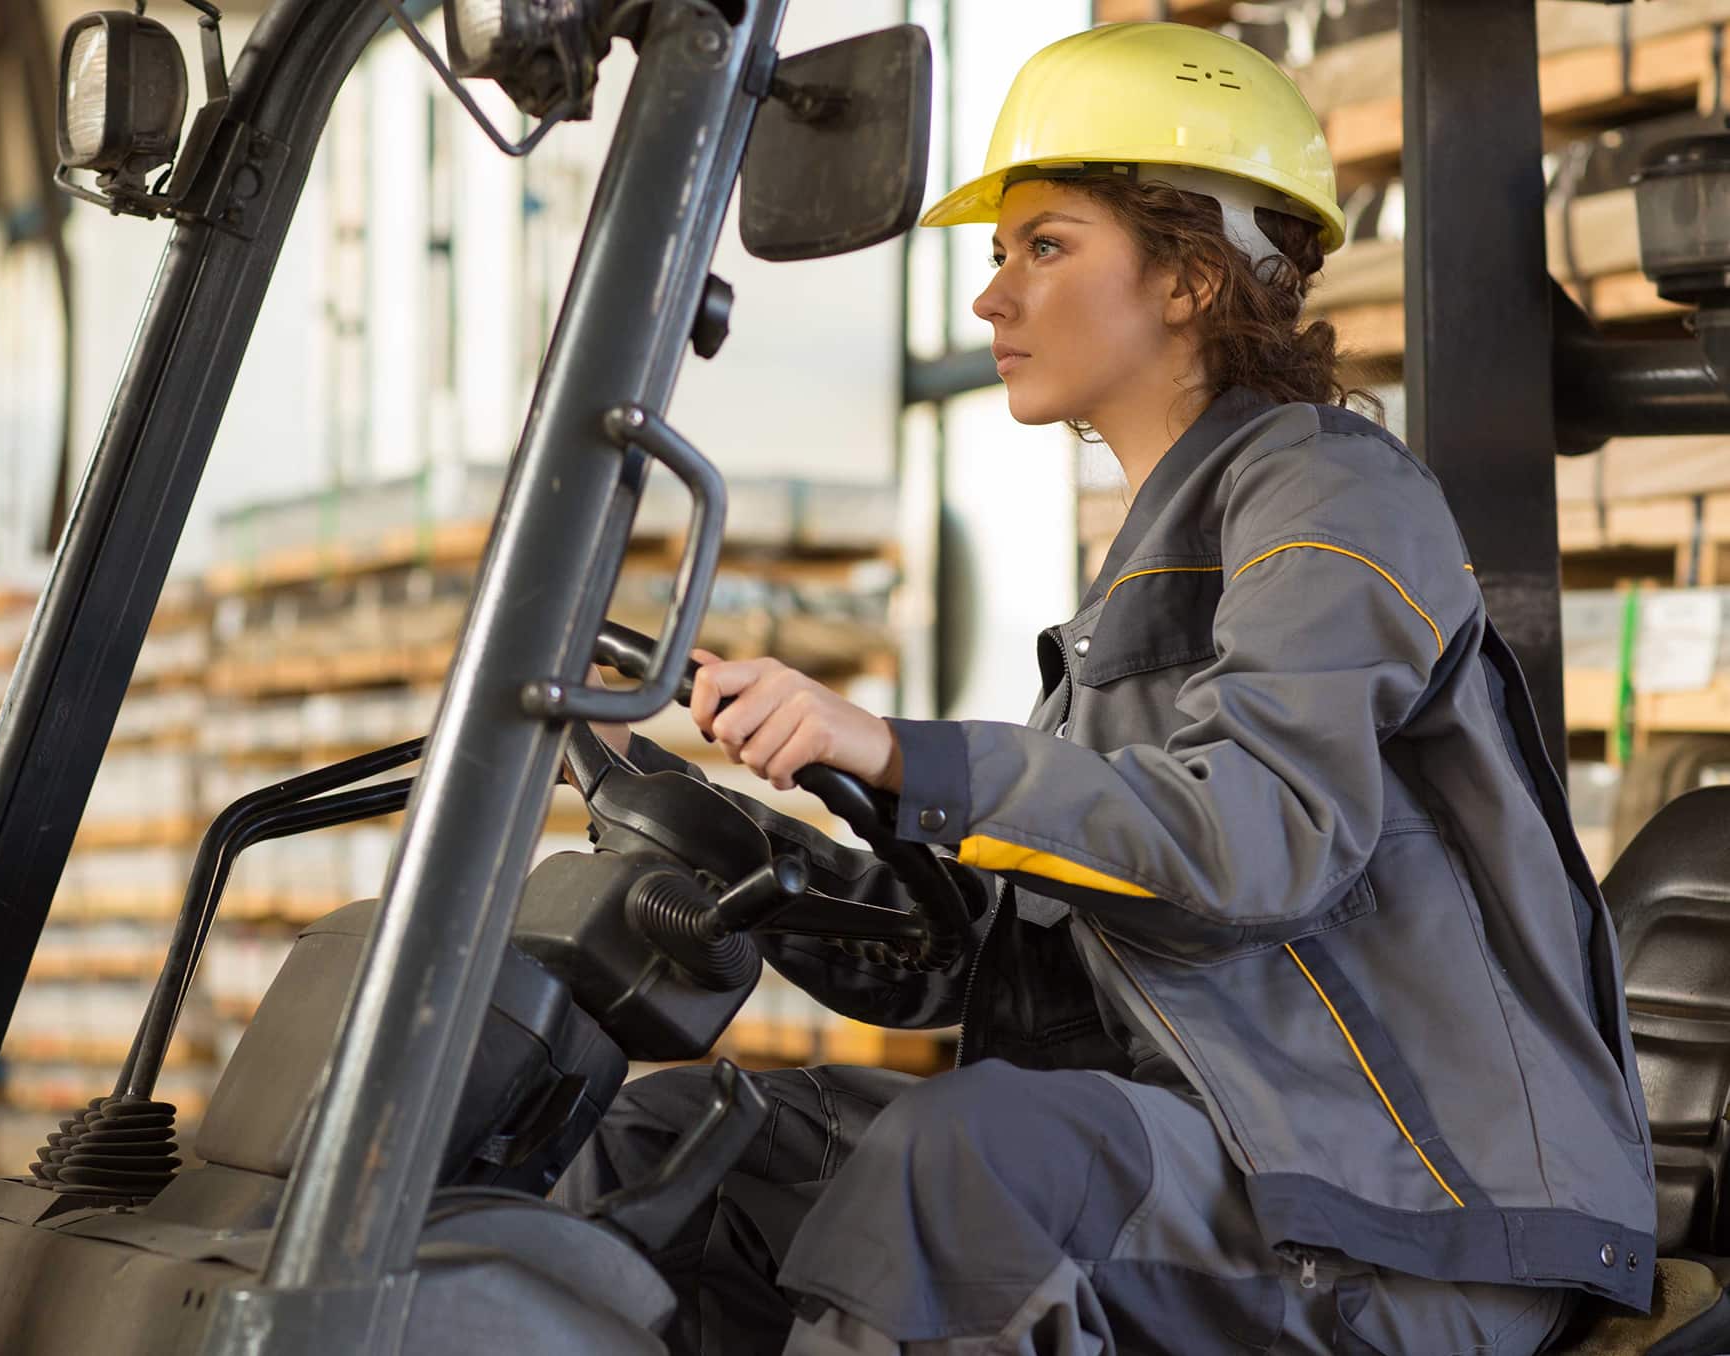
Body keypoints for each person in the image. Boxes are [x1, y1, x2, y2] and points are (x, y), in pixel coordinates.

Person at [551, 21, 1656, 1356]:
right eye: (996, 256)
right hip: (1228, 1158)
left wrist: (905, 751)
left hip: (1405, 1215)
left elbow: (1259, 845)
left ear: (1190, 274)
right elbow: (977, 960)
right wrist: (738, 849)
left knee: (981, 1164)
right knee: (672, 1145)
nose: (990, 300)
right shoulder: (1146, 562)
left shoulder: (1327, 487)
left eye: (1044, 246)